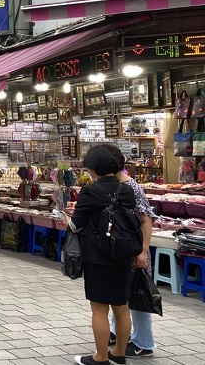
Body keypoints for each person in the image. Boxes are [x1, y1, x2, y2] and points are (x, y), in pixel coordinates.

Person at [64, 145, 139, 365]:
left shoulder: (90, 191)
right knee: (121, 306)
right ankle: (120, 353)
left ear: (94, 168)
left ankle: (101, 357)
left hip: (97, 255)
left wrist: (66, 221)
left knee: (99, 308)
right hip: (123, 252)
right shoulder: (127, 189)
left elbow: (76, 225)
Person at [98, 145, 156, 358]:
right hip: (118, 251)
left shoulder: (132, 187)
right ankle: (116, 332)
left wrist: (143, 251)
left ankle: (143, 341)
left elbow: (146, 220)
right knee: (119, 294)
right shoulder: (110, 186)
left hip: (134, 251)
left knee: (138, 295)